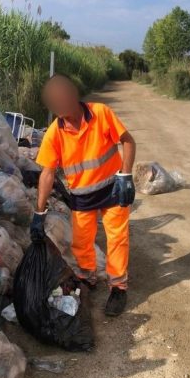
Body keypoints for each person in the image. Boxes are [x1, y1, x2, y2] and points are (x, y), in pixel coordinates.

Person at [30, 74, 136, 316]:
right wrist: (39, 212)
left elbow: (128, 142)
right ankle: (88, 277)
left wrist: (126, 176)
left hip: (112, 189)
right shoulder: (54, 134)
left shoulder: (101, 114)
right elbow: (47, 175)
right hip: (82, 197)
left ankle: (118, 286)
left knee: (117, 238)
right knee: (81, 242)